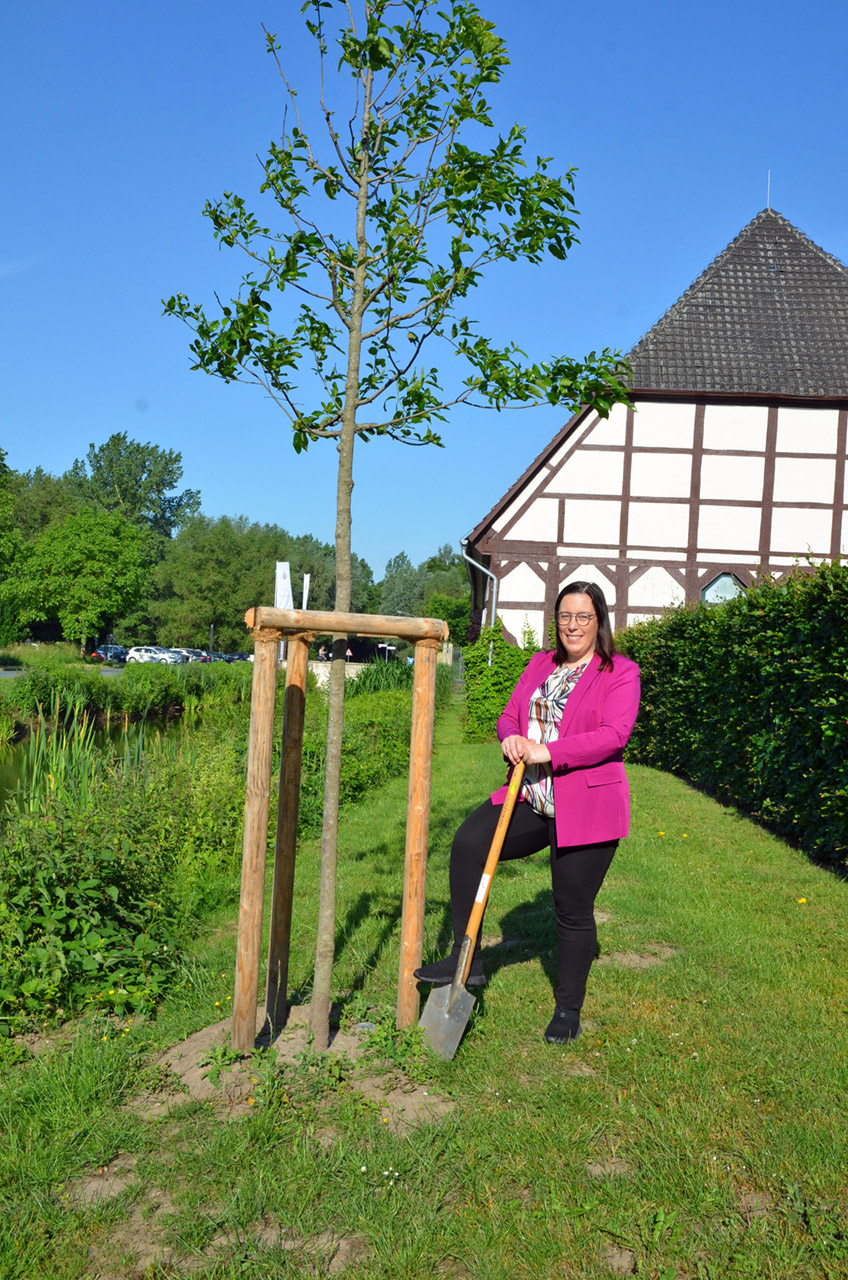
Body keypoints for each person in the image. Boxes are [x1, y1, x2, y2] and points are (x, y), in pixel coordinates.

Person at [414, 581, 641, 1044]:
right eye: (564, 616)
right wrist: (511, 739)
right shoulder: (541, 664)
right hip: (532, 798)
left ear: (599, 622)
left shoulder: (619, 672)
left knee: (571, 907)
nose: (572, 626)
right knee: (468, 845)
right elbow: (510, 715)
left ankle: (568, 1009)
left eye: (583, 617)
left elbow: (614, 735)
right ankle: (468, 958)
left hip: (586, 804)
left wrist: (547, 751)